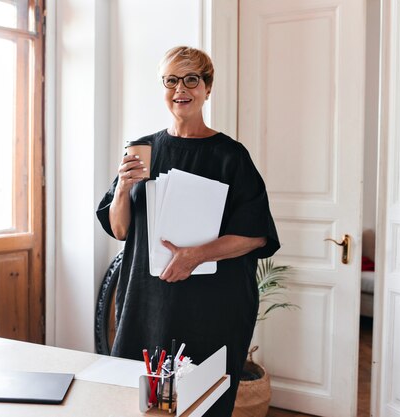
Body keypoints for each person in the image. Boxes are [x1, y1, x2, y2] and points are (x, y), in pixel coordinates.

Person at [96, 46, 280, 416]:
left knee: (203, 401)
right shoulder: (142, 149)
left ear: (207, 89)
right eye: (172, 80)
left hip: (213, 305)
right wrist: (122, 189)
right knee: (137, 398)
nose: (181, 88)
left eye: (192, 79)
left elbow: (257, 234)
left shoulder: (231, 156)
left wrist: (195, 255)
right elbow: (119, 230)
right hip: (148, 301)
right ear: (163, 88)